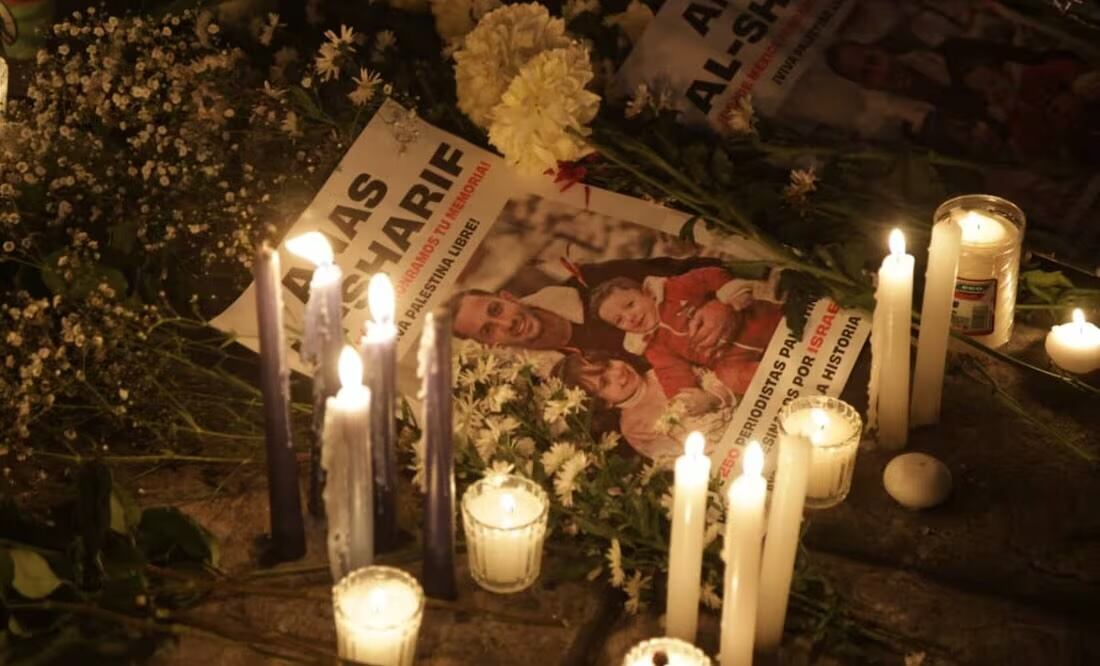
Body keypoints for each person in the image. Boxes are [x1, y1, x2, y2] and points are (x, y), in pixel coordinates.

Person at [449, 256, 739, 359]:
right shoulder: (553, 382)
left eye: (496, 310)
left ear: (508, 298)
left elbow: (685, 270)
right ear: (491, 346)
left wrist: (721, 302)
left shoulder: (595, 282)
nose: (506, 324)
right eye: (488, 330)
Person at [589, 266, 783, 399]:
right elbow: (671, 372)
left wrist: (726, 293)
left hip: (748, 321)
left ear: (647, 292)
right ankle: (783, 380)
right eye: (619, 320)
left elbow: (706, 276)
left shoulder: (674, 289)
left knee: (770, 318)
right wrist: (683, 397)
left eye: (630, 305)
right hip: (729, 358)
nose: (630, 317)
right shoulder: (652, 346)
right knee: (730, 377)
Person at [553, 352, 733, 460]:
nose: (618, 372)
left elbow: (722, 378)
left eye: (608, 364)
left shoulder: (661, 370)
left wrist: (713, 397)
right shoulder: (635, 428)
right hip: (723, 456)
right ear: (604, 403)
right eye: (605, 382)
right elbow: (678, 460)